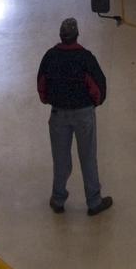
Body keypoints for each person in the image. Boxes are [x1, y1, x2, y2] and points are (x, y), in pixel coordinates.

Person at [37, 17, 112, 217]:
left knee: (60, 159)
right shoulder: (85, 57)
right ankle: (94, 202)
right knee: (88, 157)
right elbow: (99, 87)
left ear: (61, 36)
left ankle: (58, 199)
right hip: (83, 114)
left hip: (58, 114)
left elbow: (41, 86)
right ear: (77, 35)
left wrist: (50, 100)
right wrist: (92, 104)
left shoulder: (50, 57)